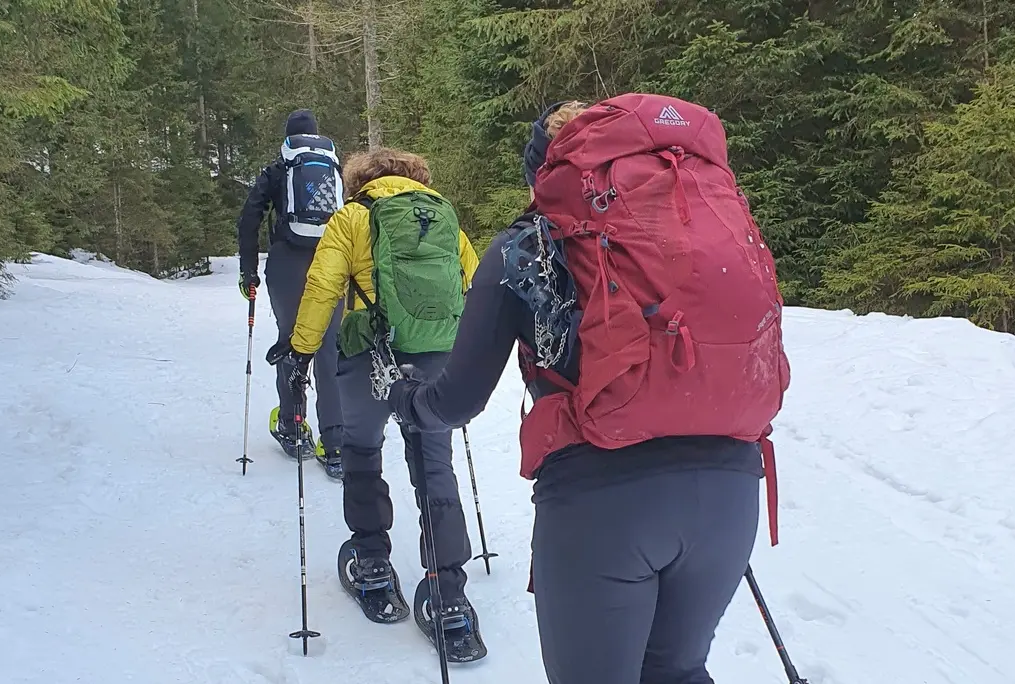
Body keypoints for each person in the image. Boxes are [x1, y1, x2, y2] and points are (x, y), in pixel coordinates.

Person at [387, 94, 791, 683]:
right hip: (728, 494)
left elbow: (456, 402)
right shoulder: (691, 226)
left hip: (603, 501)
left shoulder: (526, 247)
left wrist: (402, 396)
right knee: (677, 671)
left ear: (542, 173)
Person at [266, 147, 487, 662]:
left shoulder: (352, 218)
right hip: (435, 359)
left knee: (362, 451)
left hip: (369, 355)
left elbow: (322, 288)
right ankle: (449, 594)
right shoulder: (443, 217)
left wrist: (300, 352)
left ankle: (371, 564)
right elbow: (473, 284)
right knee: (435, 464)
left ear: (360, 180)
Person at [236, 108, 345, 479]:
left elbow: (249, 218)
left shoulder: (277, 170)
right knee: (330, 347)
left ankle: (293, 426)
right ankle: (335, 446)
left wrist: (248, 270)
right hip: (331, 263)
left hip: (286, 265)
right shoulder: (334, 169)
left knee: (292, 342)